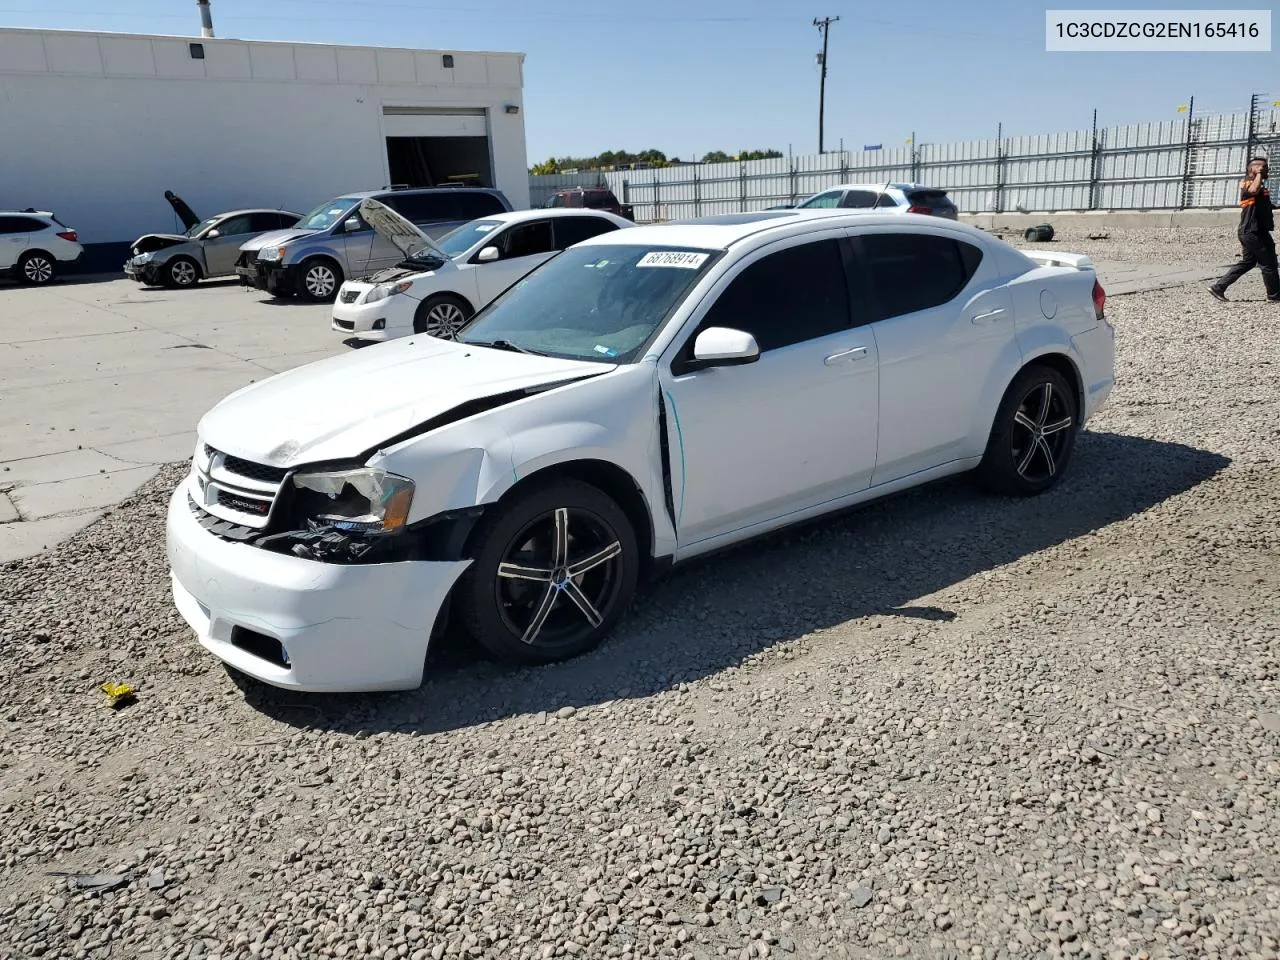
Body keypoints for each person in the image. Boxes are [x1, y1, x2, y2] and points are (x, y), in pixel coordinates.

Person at [1209, 156, 1279, 303]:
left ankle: (1218, 287)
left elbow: (1260, 203)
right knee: (1269, 263)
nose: (1267, 170)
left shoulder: (1260, 186)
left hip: (1251, 231)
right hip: (1253, 231)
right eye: (1264, 168)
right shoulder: (1248, 183)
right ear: (1253, 169)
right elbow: (1253, 191)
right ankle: (1274, 296)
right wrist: (1258, 174)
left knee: (1248, 262)